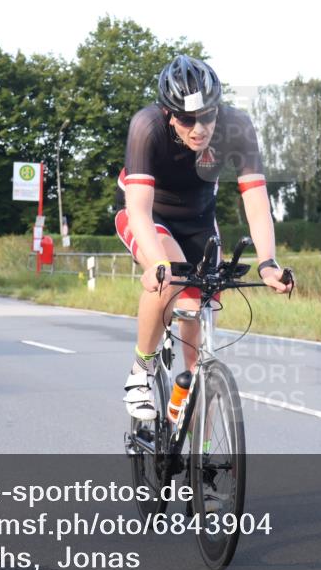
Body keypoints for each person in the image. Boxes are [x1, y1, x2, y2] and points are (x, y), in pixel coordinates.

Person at [115, 55, 292, 420]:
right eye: (186, 119)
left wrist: (268, 263)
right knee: (171, 276)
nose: (199, 128)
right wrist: (156, 264)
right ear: (168, 114)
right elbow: (139, 209)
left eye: (208, 116)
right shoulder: (146, 126)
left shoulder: (237, 125)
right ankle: (141, 371)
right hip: (150, 215)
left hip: (198, 218)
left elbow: (255, 198)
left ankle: (197, 431)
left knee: (200, 311)